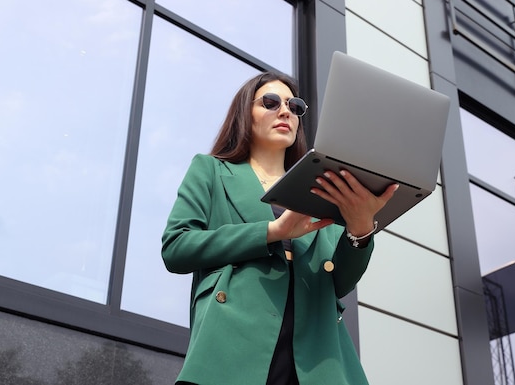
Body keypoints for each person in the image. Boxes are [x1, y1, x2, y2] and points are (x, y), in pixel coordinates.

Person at [161, 70, 398, 385]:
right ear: (245, 113)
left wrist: (360, 229)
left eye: (294, 105)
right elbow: (176, 248)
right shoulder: (211, 171)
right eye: (270, 102)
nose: (285, 111)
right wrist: (272, 232)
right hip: (234, 343)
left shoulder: (322, 189)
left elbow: (339, 283)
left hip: (315, 356)